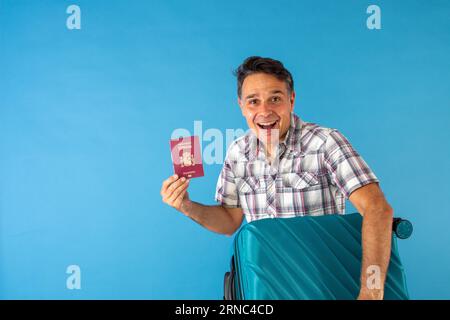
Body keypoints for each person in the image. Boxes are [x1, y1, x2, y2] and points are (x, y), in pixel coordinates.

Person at [160, 56, 393, 300]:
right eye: (253, 101)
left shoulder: (326, 143)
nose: (264, 111)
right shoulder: (238, 153)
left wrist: (371, 290)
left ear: (291, 100)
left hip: (322, 286)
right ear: (241, 106)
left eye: (275, 99)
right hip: (265, 288)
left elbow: (377, 208)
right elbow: (229, 221)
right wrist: (186, 205)